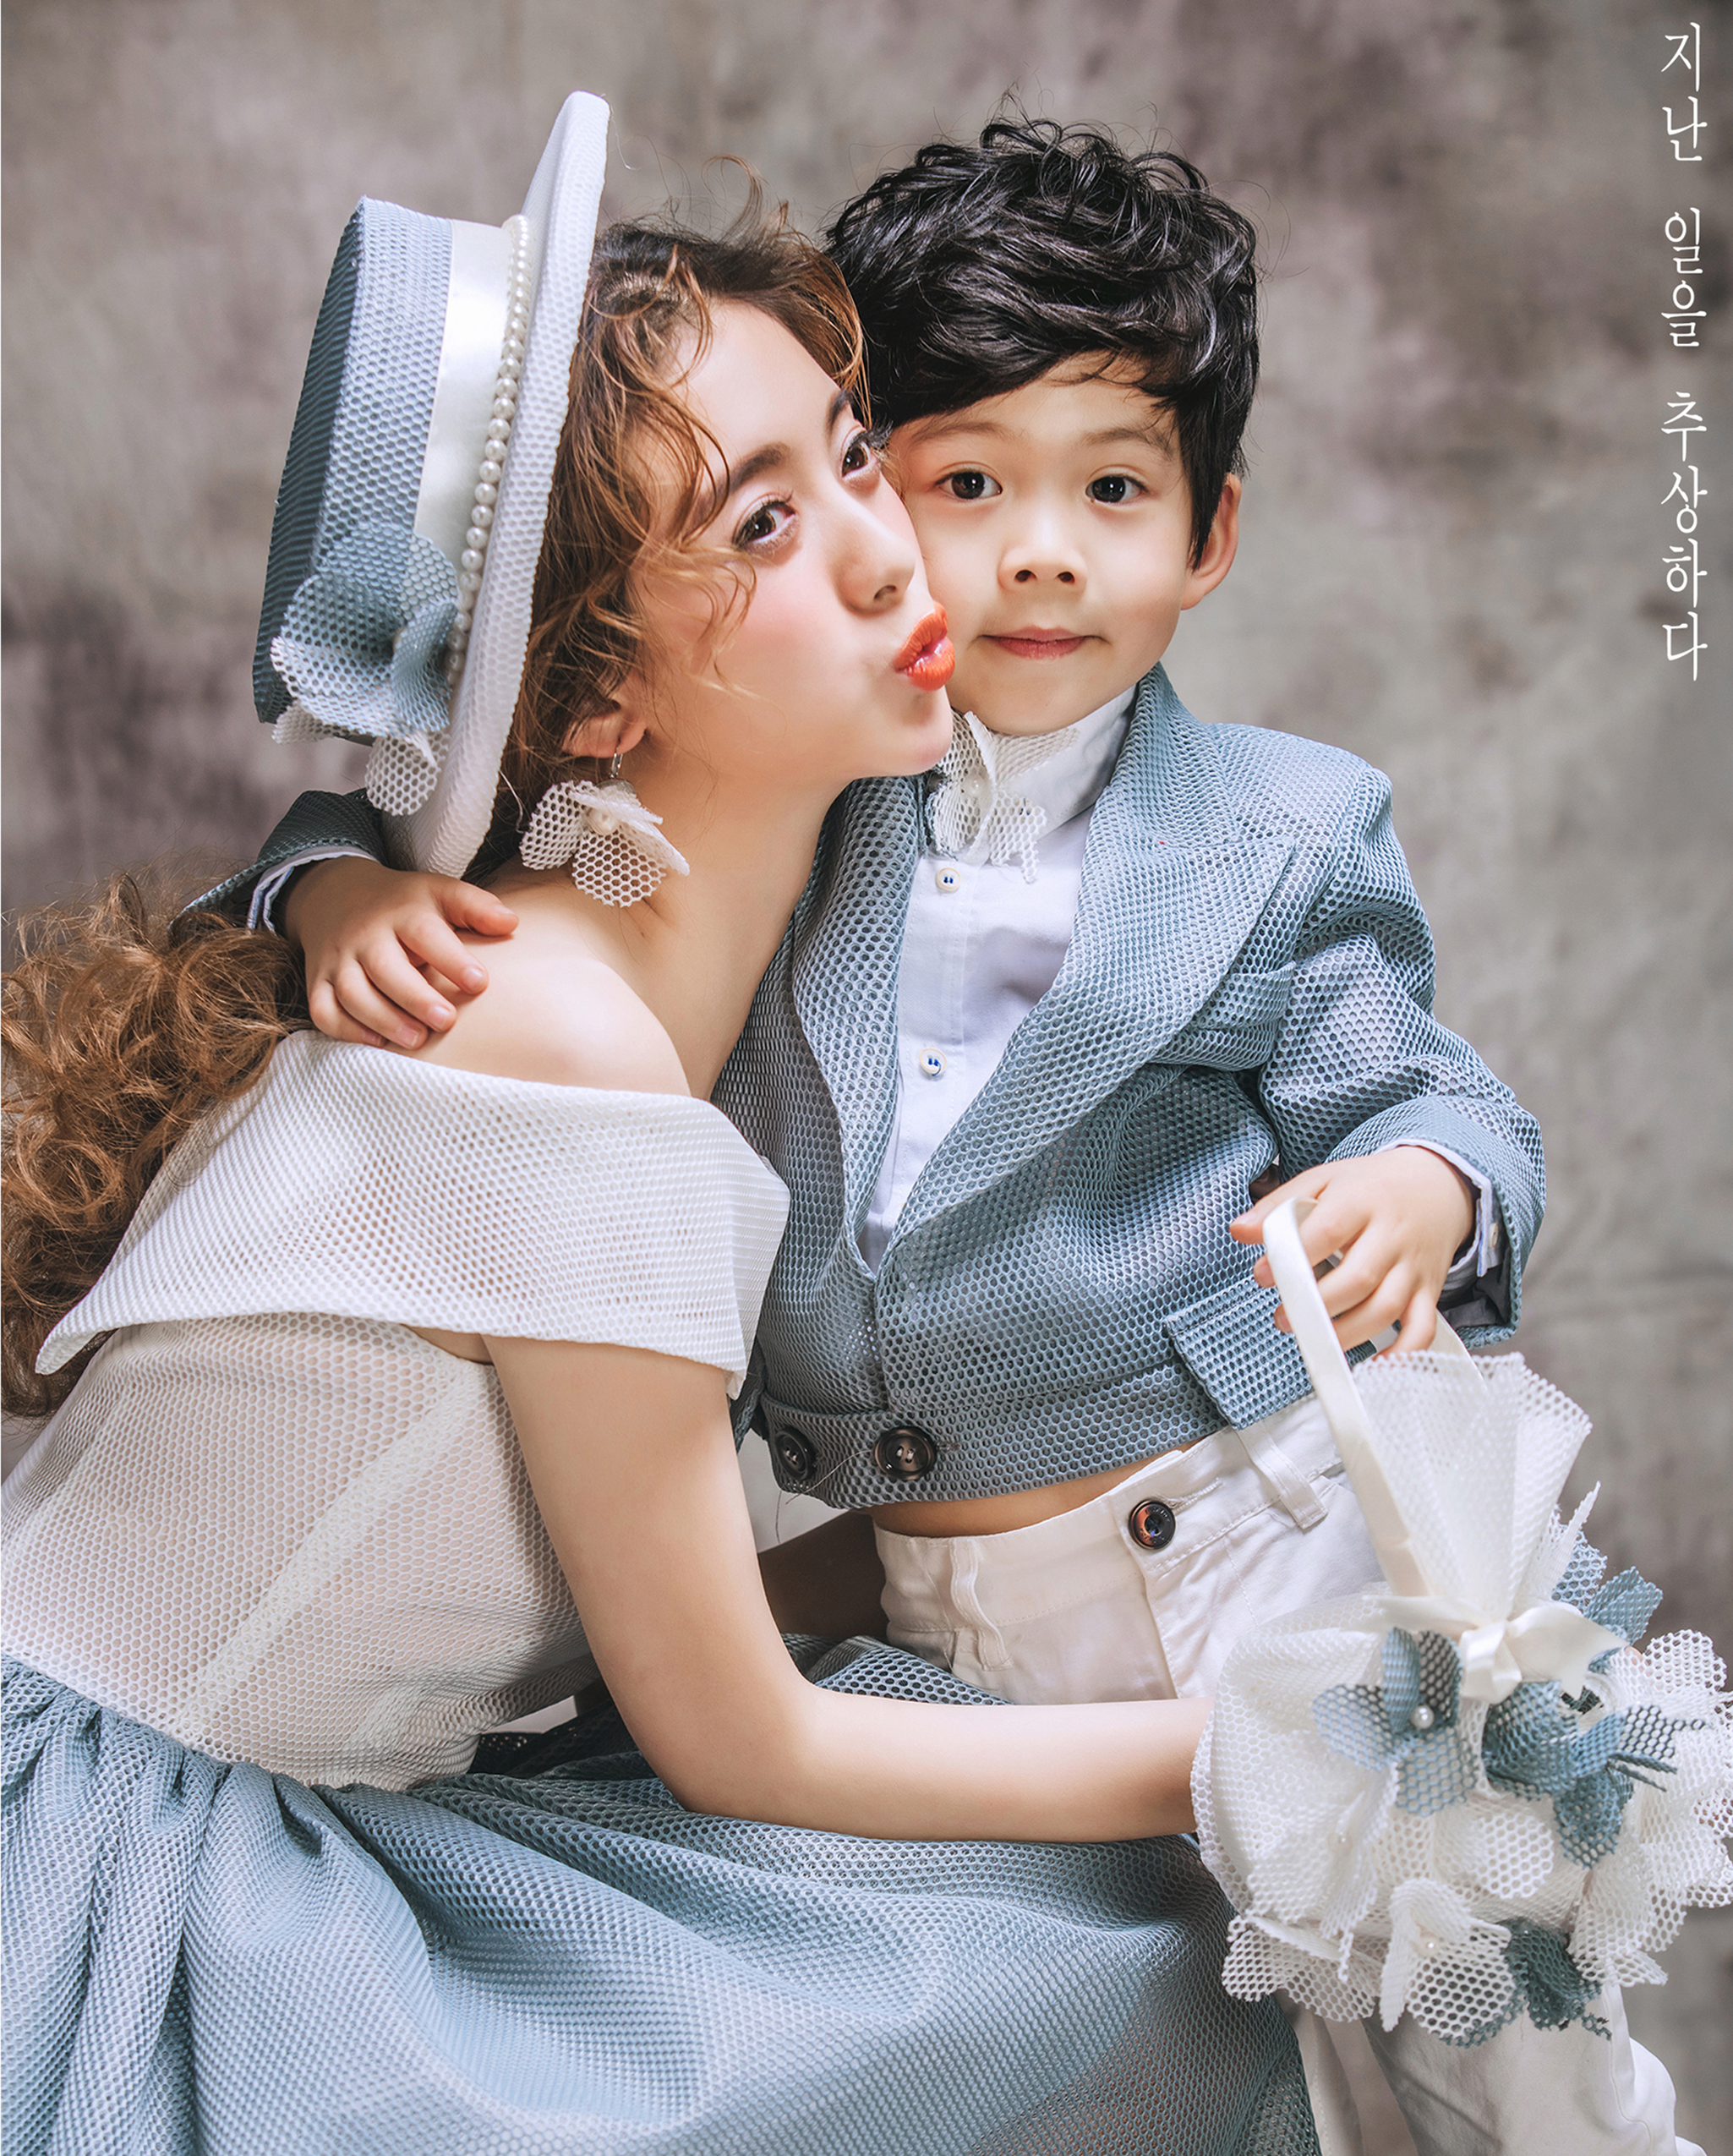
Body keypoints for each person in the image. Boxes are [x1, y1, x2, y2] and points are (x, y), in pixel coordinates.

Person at [248, 116, 1706, 2153]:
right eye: (960, 484)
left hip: (1256, 1535)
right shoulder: (790, 779)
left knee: (1483, 2047)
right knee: (1165, 2069)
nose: (1036, 553)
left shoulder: (1281, 832)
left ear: (1208, 534)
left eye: (1111, 491)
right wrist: (326, 886)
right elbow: (452, 764)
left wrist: (1424, 1182)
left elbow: (1422, 1083)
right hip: (945, 1615)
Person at [1, 99, 1323, 2156]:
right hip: (110, 1876)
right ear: (593, 697)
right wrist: (1279, 1757)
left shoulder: (638, 992)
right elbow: (738, 1739)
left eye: (853, 456)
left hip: (258, 1813)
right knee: (1108, 1938)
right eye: (761, 526)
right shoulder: (548, 1040)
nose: (888, 549)